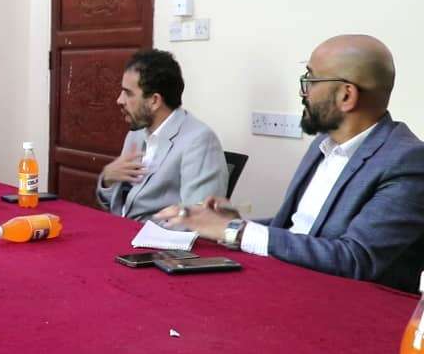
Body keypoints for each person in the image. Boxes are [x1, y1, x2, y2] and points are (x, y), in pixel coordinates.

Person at [156, 34, 424, 293]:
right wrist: (231, 222)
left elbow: (356, 260)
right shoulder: (323, 144)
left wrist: (236, 232)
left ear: (346, 95)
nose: (302, 92)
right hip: (291, 283)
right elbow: (297, 227)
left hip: (352, 307)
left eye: (310, 80)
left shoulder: (408, 161)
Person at [96, 50, 228, 220]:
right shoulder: (136, 134)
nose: (119, 100)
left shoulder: (199, 141)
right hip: (119, 229)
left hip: (154, 236)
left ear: (154, 101)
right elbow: (116, 207)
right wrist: (108, 179)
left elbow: (200, 219)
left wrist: (141, 232)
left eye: (128, 93)